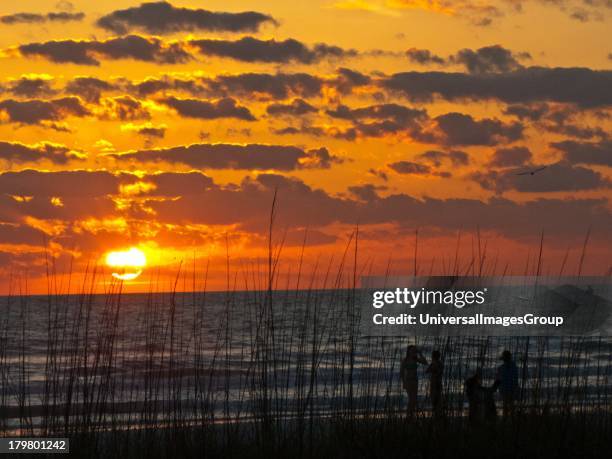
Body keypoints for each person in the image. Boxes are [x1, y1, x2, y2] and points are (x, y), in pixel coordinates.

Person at [400, 345, 428, 417]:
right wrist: (404, 383)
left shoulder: (415, 358)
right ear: (408, 351)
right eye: (412, 350)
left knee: (414, 399)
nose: (413, 351)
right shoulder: (405, 360)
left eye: (414, 350)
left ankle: (410, 415)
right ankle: (408, 415)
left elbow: (425, 362)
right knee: (411, 399)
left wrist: (420, 353)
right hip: (408, 381)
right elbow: (402, 372)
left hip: (415, 381)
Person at [496, 350, 519, 417]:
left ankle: (505, 419)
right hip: (512, 389)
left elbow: (498, 380)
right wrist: (516, 388)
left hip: (505, 390)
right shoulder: (514, 367)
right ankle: (512, 419)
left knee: (505, 405)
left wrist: (499, 389)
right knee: (511, 405)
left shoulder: (501, 368)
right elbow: (516, 379)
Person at [426, 350, 444, 416]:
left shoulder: (436, 364)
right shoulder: (439, 363)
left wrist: (433, 367)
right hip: (437, 383)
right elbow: (428, 370)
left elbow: (428, 370)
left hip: (435, 383)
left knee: (435, 398)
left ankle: (437, 413)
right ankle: (438, 412)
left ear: (433, 357)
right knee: (437, 398)